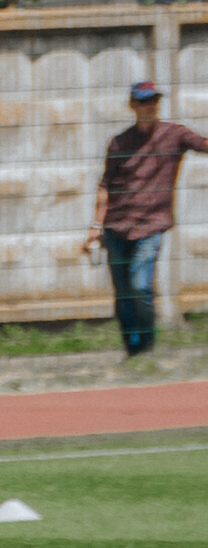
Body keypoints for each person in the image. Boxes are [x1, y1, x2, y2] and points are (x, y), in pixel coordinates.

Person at [80, 82, 206, 357]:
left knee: (140, 287)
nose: (150, 105)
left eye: (154, 100)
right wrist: (95, 227)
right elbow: (105, 185)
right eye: (144, 101)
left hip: (150, 226)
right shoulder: (119, 142)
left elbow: (203, 144)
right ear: (133, 106)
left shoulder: (174, 135)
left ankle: (147, 346)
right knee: (123, 294)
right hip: (116, 227)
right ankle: (132, 349)